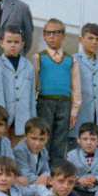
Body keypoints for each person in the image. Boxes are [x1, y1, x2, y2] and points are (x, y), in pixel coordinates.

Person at [30, 18, 80, 162]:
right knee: (43, 136)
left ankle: (55, 172)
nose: (51, 36)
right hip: (45, 102)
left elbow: (76, 88)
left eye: (55, 33)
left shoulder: (71, 60)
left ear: (63, 35)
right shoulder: (39, 57)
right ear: (44, 36)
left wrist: (74, 112)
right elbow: (34, 85)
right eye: (48, 33)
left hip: (64, 104)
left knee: (60, 140)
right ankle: (41, 170)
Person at [0, 26, 36, 144]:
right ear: (1, 43)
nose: (12, 45)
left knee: (17, 150)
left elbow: (31, 95)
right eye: (9, 42)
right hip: (3, 116)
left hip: (22, 117)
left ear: (22, 44)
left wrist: (32, 119)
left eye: (16, 42)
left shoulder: (28, 66)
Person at [69, 23, 98, 146]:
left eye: (97, 39)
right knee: (75, 152)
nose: (94, 42)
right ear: (81, 40)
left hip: (96, 116)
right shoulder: (73, 60)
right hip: (79, 115)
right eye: (90, 38)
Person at [65, 122, 98, 196]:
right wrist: (78, 179)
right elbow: (66, 174)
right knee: (71, 195)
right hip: (79, 190)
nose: (89, 143)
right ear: (78, 140)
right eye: (85, 139)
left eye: (93, 139)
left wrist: (97, 179)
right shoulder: (72, 155)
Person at [13, 117, 51, 187]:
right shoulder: (20, 150)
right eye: (34, 138)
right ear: (25, 137)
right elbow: (25, 175)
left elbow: (46, 169)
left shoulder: (43, 150)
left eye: (42, 139)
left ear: (47, 139)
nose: (37, 143)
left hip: (37, 184)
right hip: (22, 186)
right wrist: (46, 182)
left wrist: (44, 175)